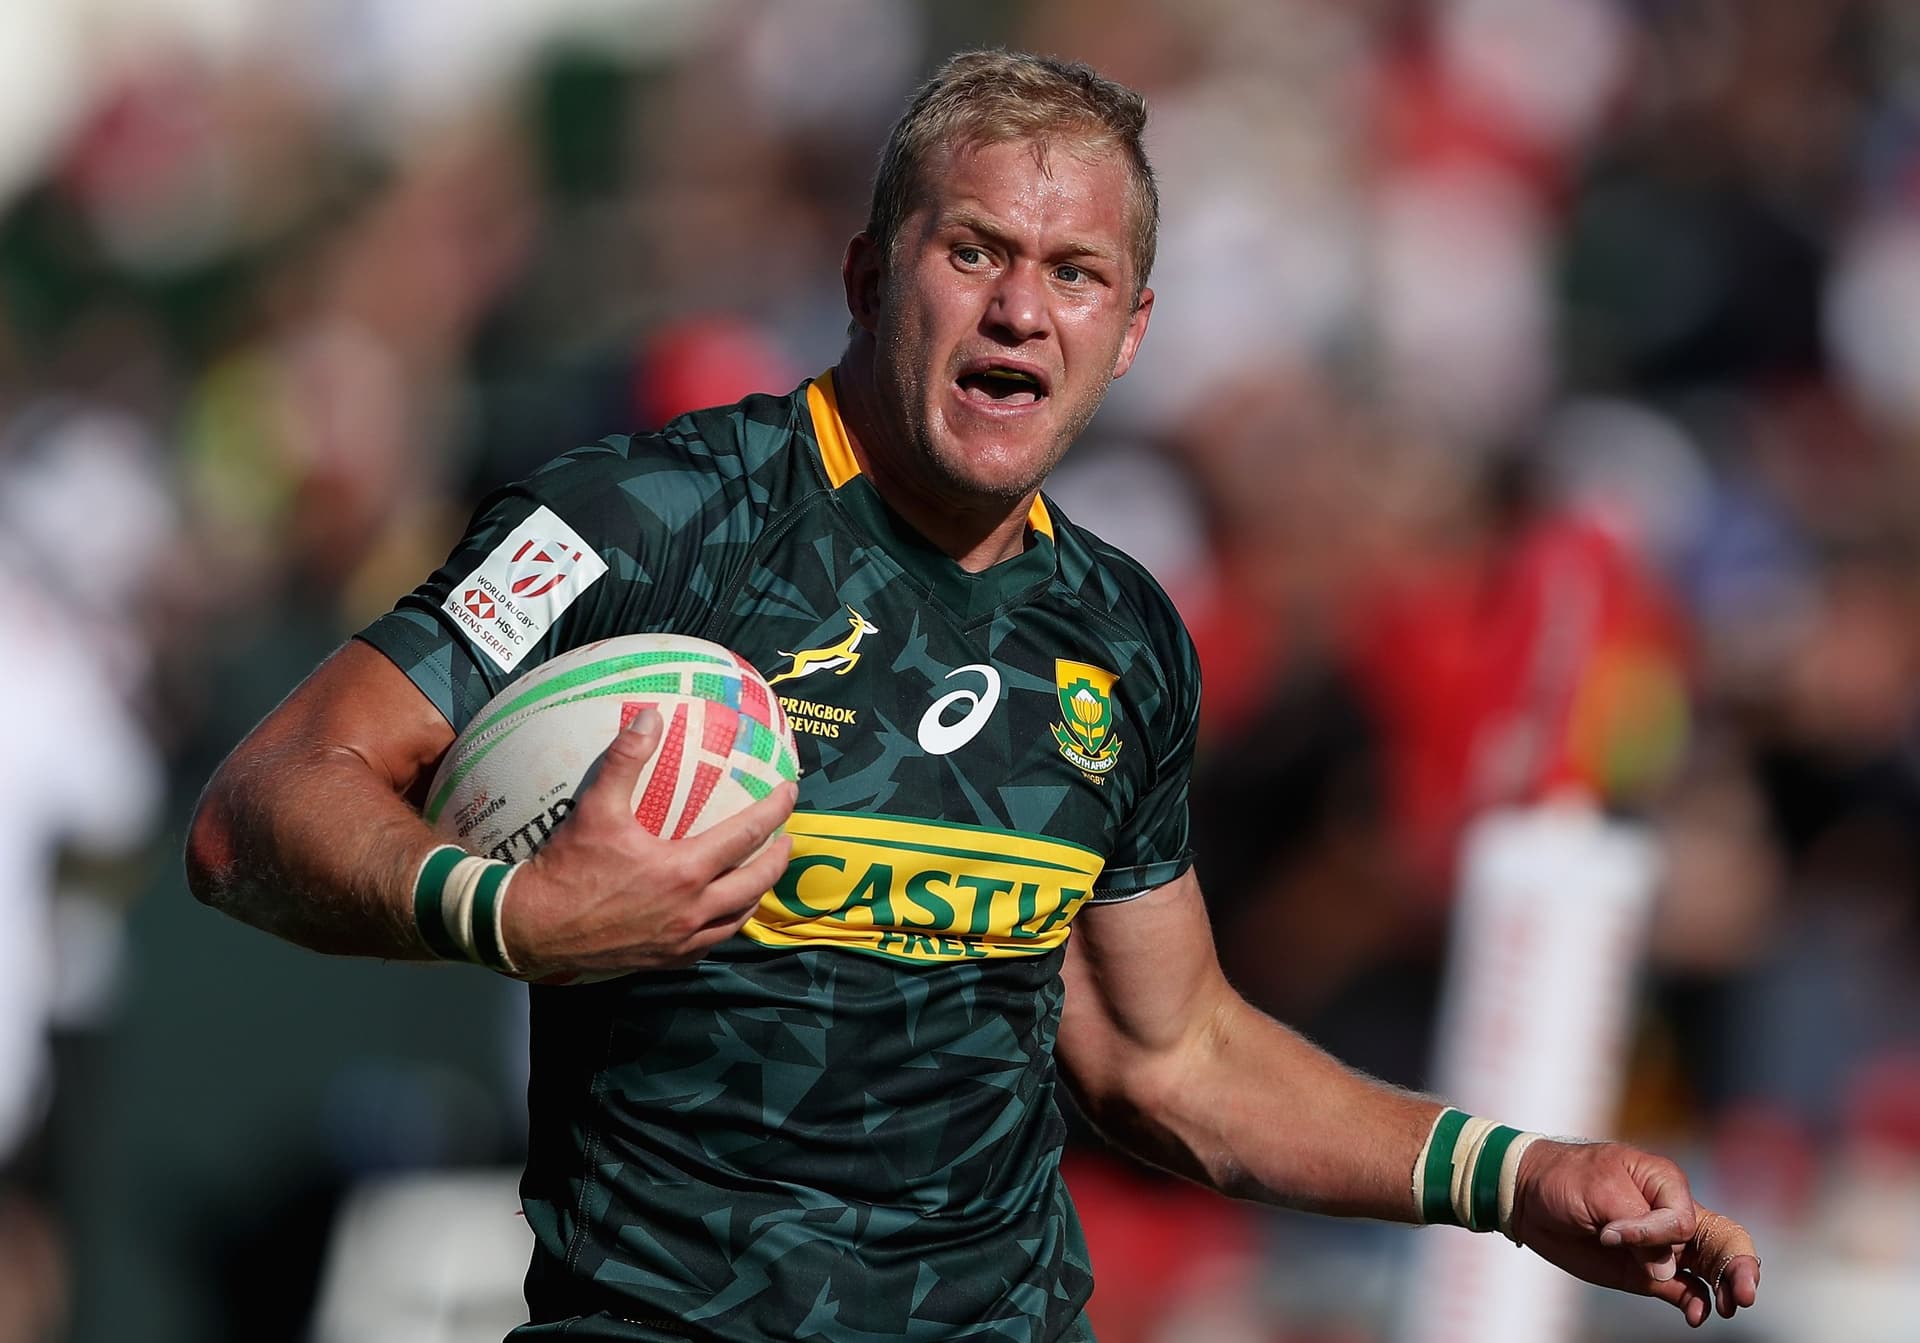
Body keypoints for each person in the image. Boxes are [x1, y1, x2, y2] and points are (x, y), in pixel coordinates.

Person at [187, 50, 1761, 1342]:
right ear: (871, 273)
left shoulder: (1118, 635)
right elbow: (266, 801)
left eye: (1078, 274)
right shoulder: (648, 523)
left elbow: (1170, 1057)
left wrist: (1520, 1173)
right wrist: (507, 915)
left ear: (1130, 333)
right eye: (977, 252)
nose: (1023, 310)